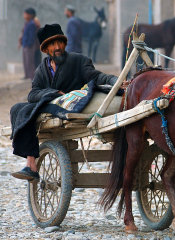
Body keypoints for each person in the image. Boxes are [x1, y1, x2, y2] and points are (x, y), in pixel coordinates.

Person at [10, 24, 127, 181]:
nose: (57, 47)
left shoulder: (78, 61)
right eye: (52, 44)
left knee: (27, 110)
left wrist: (117, 81)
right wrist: (53, 93)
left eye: (60, 42)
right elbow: (33, 94)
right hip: (48, 106)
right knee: (18, 108)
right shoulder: (41, 70)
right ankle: (31, 164)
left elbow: (97, 77)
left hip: (69, 108)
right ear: (45, 49)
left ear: (65, 44)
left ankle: (31, 165)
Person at [19, 8, 37, 80]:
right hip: (25, 45)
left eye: (25, 14)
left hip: (29, 46)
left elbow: (31, 36)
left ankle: (32, 78)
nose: (24, 15)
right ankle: (27, 76)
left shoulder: (32, 24)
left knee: (30, 62)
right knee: (26, 61)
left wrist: (29, 44)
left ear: (30, 15)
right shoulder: (27, 23)